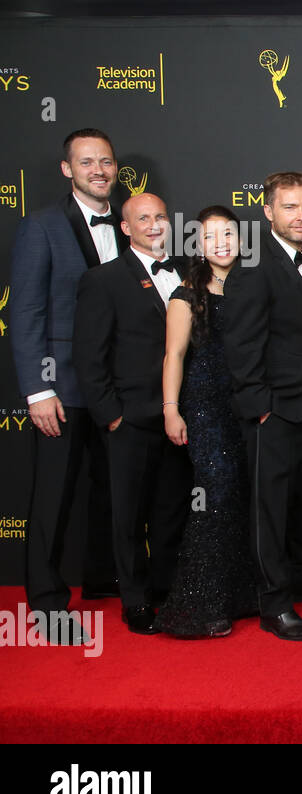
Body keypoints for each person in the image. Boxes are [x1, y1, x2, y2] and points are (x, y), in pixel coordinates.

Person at [9, 128, 123, 638]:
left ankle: (104, 580)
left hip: (117, 386)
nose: (98, 169)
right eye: (87, 162)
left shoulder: (128, 226)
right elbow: (27, 312)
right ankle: (48, 604)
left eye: (105, 161)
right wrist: (38, 389)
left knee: (113, 490)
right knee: (54, 495)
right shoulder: (43, 225)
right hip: (63, 388)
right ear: (67, 169)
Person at [72, 192, 193, 635]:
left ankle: (165, 588)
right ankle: (136, 600)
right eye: (143, 218)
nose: (155, 224)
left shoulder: (187, 272)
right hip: (131, 418)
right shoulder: (103, 280)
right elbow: (89, 356)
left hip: (180, 416)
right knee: (128, 515)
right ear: (126, 228)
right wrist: (112, 416)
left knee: (171, 509)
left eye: (161, 215)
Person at [223, 171, 302, 641]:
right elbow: (241, 344)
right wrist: (260, 406)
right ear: (268, 212)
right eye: (290, 207)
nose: (301, 216)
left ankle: (300, 585)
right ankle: (274, 605)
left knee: (299, 506)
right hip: (273, 410)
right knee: (269, 510)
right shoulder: (253, 264)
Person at [156, 206, 258, 638]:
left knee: (238, 496)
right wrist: (171, 408)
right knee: (213, 496)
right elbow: (174, 355)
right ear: (197, 244)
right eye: (210, 236)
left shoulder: (252, 286)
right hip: (204, 405)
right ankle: (197, 603)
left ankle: (235, 596)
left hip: (246, 403)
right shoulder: (186, 293)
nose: (221, 243)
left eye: (228, 234)